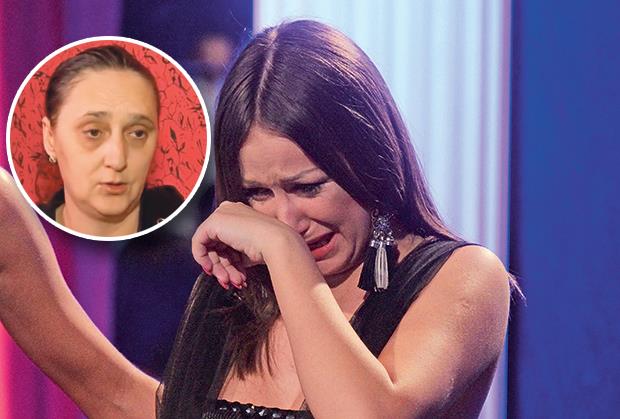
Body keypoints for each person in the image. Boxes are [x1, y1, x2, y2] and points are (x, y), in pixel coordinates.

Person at [0, 21, 515, 418]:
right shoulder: (236, 287)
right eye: (258, 193)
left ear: (372, 158)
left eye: (308, 187)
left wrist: (288, 258)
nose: (286, 220)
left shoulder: (464, 277)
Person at [39, 45, 182, 237]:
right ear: (50, 138)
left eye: (137, 133)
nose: (117, 160)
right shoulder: (18, 234)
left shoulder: (184, 230)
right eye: (93, 132)